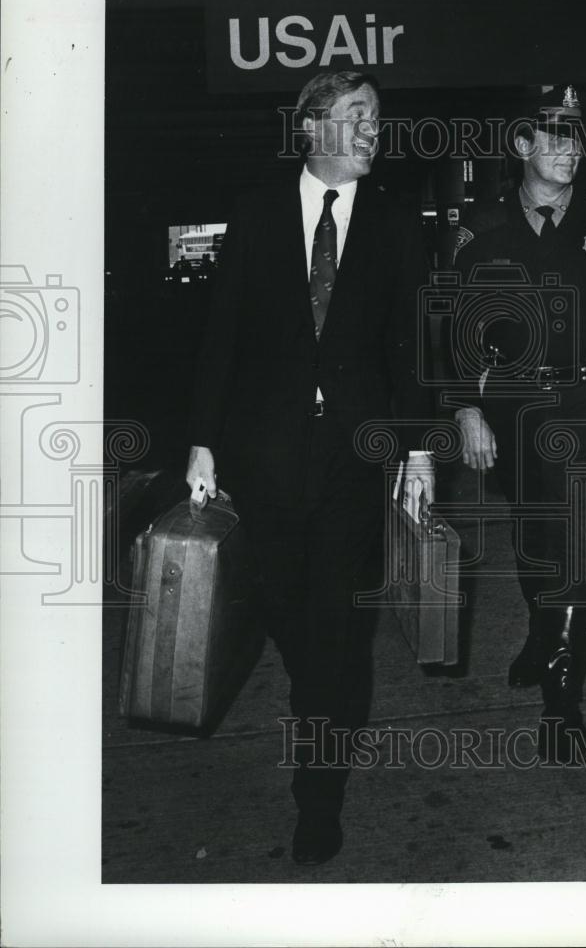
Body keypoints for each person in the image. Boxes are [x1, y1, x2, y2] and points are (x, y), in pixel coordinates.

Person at [186, 70, 434, 864]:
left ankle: (316, 796)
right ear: (314, 126)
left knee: (334, 627)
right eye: (357, 116)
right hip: (261, 453)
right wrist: (201, 440)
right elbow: (220, 335)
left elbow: (412, 346)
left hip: (354, 457)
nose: (373, 131)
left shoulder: (395, 222)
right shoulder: (257, 214)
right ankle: (313, 684)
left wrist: (419, 449)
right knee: (285, 610)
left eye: (375, 118)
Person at [452, 86, 586, 763]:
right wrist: (466, 407)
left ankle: (560, 701)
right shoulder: (481, 226)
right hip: (513, 410)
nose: (571, 150)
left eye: (576, 138)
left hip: (585, 408)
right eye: (554, 138)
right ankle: (543, 637)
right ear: (521, 147)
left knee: (575, 551)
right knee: (533, 534)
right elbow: (454, 330)